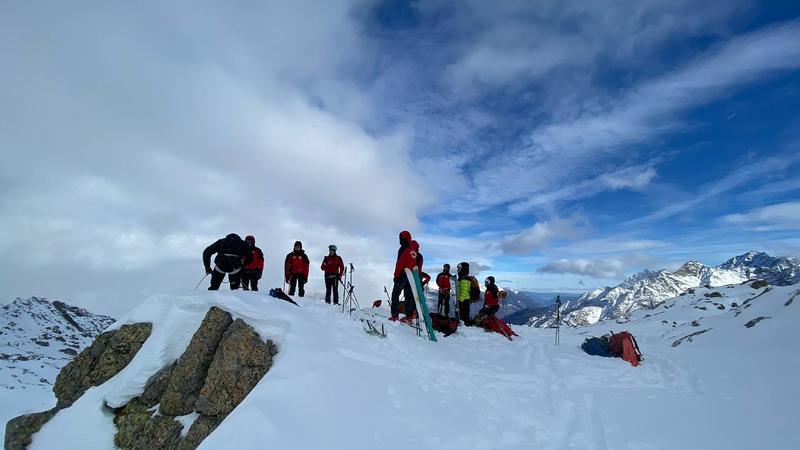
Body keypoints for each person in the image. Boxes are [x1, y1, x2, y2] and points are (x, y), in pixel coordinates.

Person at [390, 230, 417, 322]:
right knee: (408, 296)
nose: (399, 240)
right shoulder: (413, 251)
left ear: (403, 238)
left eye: (400, 238)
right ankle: (409, 317)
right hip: (411, 276)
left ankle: (395, 316)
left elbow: (400, 263)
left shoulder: (403, 249)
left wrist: (396, 275)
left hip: (402, 275)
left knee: (395, 294)